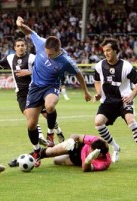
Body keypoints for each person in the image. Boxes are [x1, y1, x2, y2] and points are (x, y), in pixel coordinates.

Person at [15, 16, 92, 167]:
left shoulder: (66, 61)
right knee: (31, 124)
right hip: (35, 87)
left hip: (52, 86)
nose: (48, 55)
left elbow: (79, 75)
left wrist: (85, 92)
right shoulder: (41, 43)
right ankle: (37, 151)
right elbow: (29, 31)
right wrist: (20, 25)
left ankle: (51, 132)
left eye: (51, 54)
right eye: (46, 53)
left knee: (49, 106)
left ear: (58, 50)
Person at [0, 38, 65, 149]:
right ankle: (40, 137)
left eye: (22, 45)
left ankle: (58, 131)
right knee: (30, 118)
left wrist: (29, 72)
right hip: (21, 94)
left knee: (47, 115)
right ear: (14, 48)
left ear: (26, 46)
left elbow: (44, 69)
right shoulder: (10, 58)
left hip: (36, 91)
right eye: (18, 45)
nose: (20, 47)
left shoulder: (32, 58)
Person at [93, 38, 137, 164]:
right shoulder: (99, 66)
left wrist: (132, 95)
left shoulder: (126, 66)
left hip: (124, 100)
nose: (106, 53)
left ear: (115, 51)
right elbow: (97, 81)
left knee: (131, 121)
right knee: (98, 122)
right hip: (108, 102)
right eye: (104, 51)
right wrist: (98, 93)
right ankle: (115, 147)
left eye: (108, 50)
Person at [39, 134, 111, 172]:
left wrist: (88, 160)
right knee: (51, 152)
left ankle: (53, 146)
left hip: (77, 160)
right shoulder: (95, 140)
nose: (89, 150)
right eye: (90, 148)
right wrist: (71, 140)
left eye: (91, 150)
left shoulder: (104, 163)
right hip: (76, 147)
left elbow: (85, 169)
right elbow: (76, 135)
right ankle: (36, 155)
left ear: (100, 154)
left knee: (56, 161)